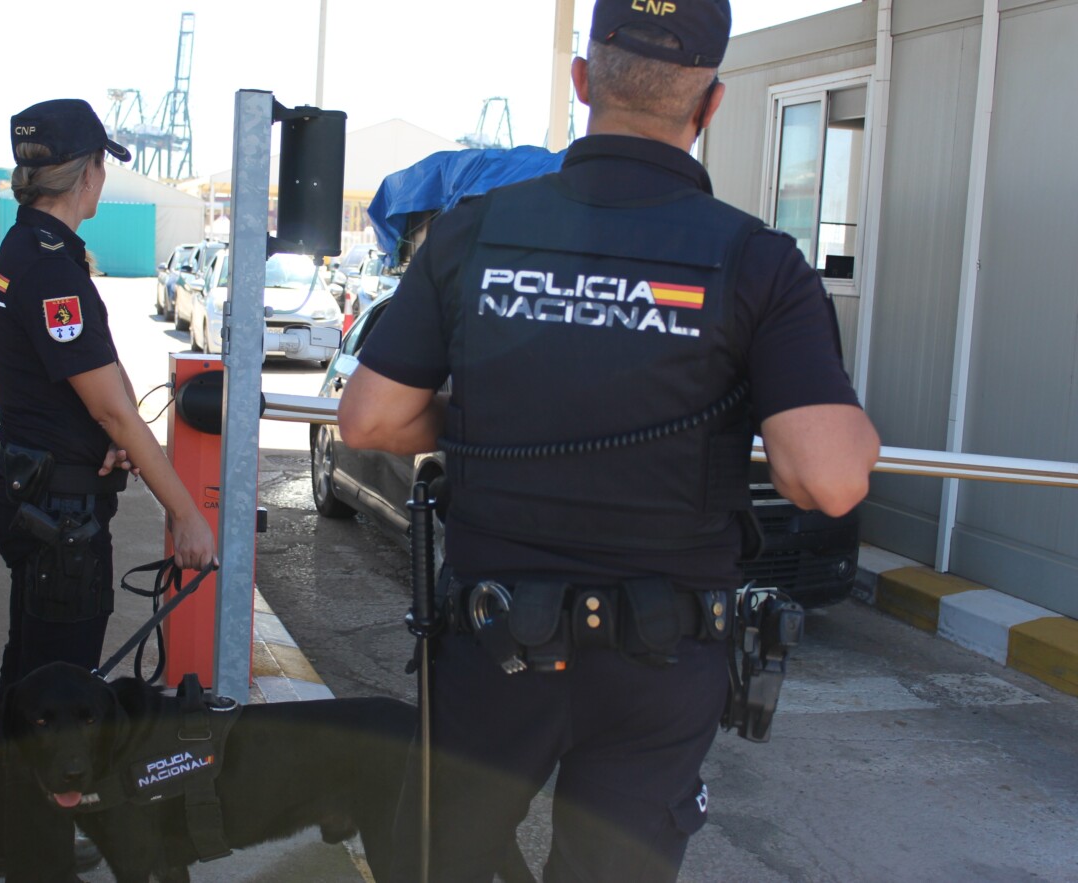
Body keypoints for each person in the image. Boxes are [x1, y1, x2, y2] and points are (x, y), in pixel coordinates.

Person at [337, 1, 880, 880]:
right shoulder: (760, 262)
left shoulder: (477, 230)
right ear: (710, 106)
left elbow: (370, 419)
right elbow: (828, 479)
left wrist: (486, 427)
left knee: (439, 860)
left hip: (492, 643)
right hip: (659, 662)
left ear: (585, 83)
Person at [0, 98, 218, 881]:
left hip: (42, 492)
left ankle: (9, 838)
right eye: (102, 164)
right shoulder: (53, 266)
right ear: (88, 173)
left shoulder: (26, 247)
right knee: (59, 705)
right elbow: (114, 402)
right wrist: (183, 508)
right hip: (61, 522)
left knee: (28, 681)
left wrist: (100, 447)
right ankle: (34, 859)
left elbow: (83, 400)